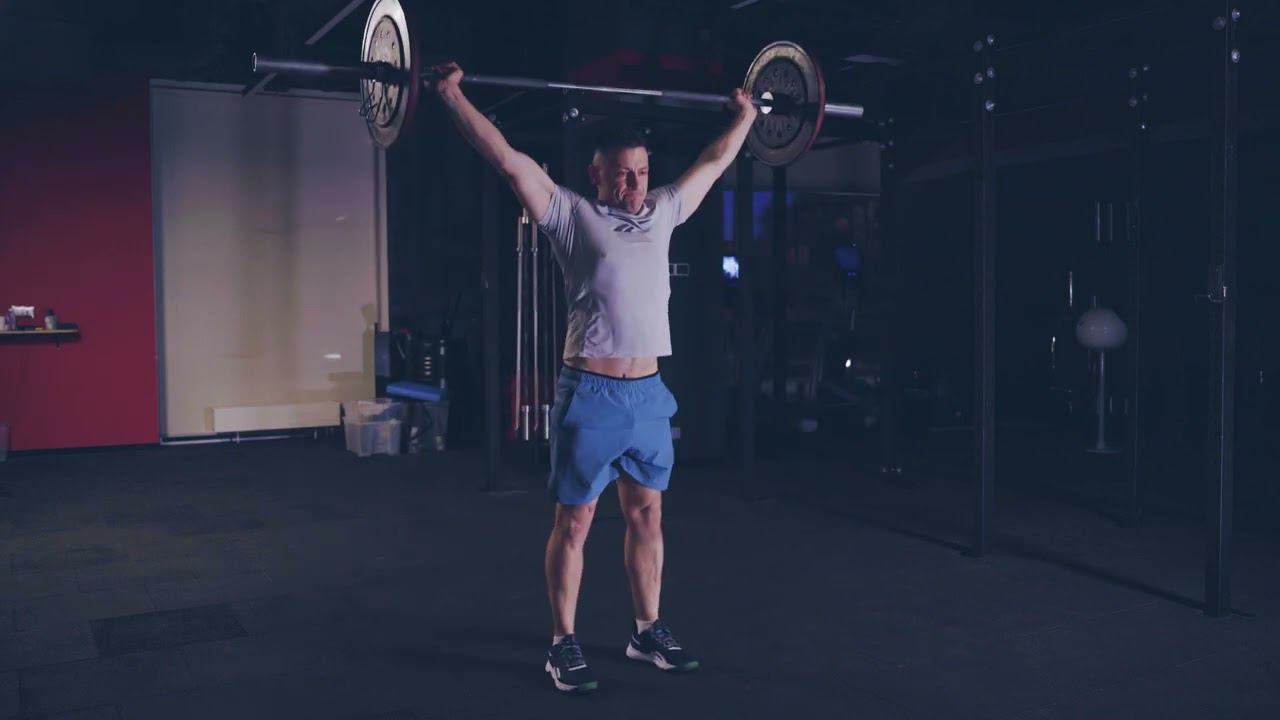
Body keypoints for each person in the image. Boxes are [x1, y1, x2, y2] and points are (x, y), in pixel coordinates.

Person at [430, 61, 757, 694]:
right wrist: (451, 95)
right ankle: (563, 643)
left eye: (642, 173)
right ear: (596, 175)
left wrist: (745, 116)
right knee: (575, 524)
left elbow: (714, 163)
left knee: (648, 518)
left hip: (649, 397)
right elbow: (508, 161)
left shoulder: (664, 211)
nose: (635, 185)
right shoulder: (572, 215)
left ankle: (646, 630)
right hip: (592, 394)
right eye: (622, 174)